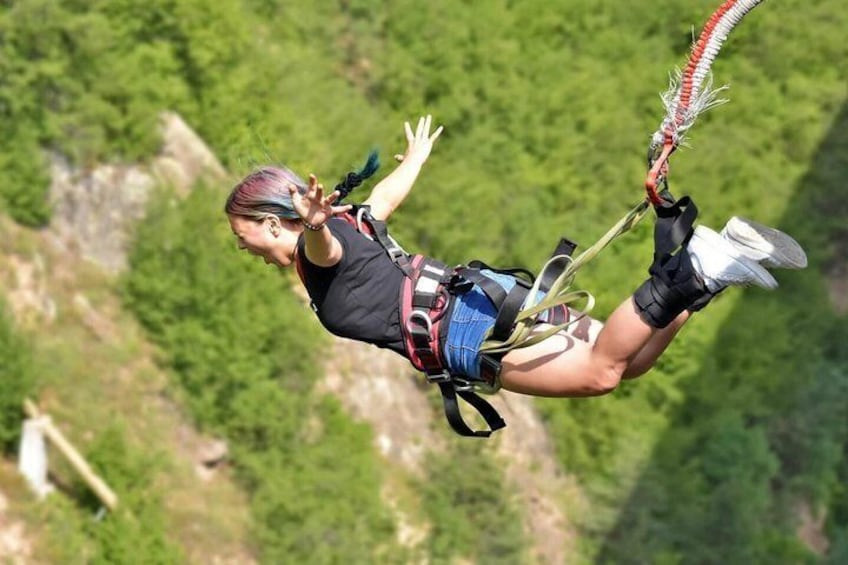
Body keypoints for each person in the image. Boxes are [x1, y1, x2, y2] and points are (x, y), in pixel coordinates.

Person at [225, 115, 806, 433]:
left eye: (240, 231)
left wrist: (315, 227)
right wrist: (417, 163)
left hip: (466, 330)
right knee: (629, 366)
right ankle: (707, 271)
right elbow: (382, 200)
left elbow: (324, 252)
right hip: (482, 301)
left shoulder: (319, 248)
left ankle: (696, 266)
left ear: (271, 224)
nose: (240, 244)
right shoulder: (354, 220)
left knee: (601, 374)